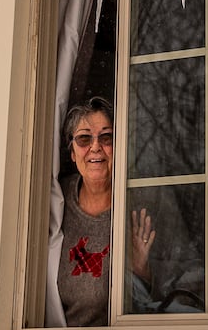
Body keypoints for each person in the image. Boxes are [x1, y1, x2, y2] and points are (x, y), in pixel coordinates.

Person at [58, 97, 154, 326]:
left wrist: (140, 272)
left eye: (106, 137)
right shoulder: (55, 200)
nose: (95, 147)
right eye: (83, 138)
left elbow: (163, 300)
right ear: (72, 153)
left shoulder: (136, 207)